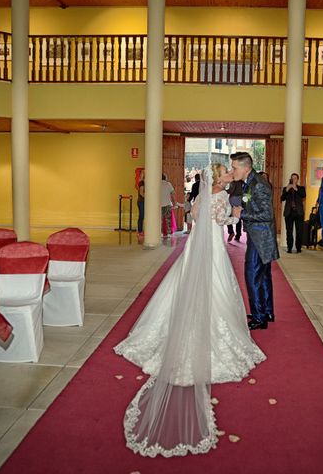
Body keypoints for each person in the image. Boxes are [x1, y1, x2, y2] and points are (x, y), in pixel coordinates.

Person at [115, 163, 266, 458]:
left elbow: (194, 217)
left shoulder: (200, 195)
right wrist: (234, 214)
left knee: (182, 286)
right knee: (217, 289)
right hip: (213, 250)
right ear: (219, 176)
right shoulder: (222, 196)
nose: (228, 176)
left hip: (195, 247)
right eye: (226, 173)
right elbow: (222, 222)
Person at [232, 152, 279, 330]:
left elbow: (267, 215)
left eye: (235, 167)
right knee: (263, 276)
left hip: (261, 237)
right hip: (259, 236)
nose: (233, 170)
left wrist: (242, 213)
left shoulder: (258, 184)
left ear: (245, 168)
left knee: (252, 275)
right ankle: (266, 311)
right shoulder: (251, 182)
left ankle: (259, 318)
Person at [281, 173, 306, 253]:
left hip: (298, 212)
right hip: (289, 212)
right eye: (292, 178)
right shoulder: (286, 188)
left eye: (295, 178)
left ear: (297, 179)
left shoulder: (301, 188)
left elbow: (303, 195)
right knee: (289, 231)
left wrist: (296, 189)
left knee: (299, 231)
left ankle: (298, 248)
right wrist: (286, 190)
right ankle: (289, 247)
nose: (294, 179)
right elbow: (282, 198)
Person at [137, 169, 145, 237]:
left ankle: (141, 230)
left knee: (142, 216)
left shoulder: (143, 182)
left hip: (141, 201)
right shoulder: (142, 183)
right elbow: (141, 193)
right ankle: (140, 231)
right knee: (141, 216)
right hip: (141, 202)